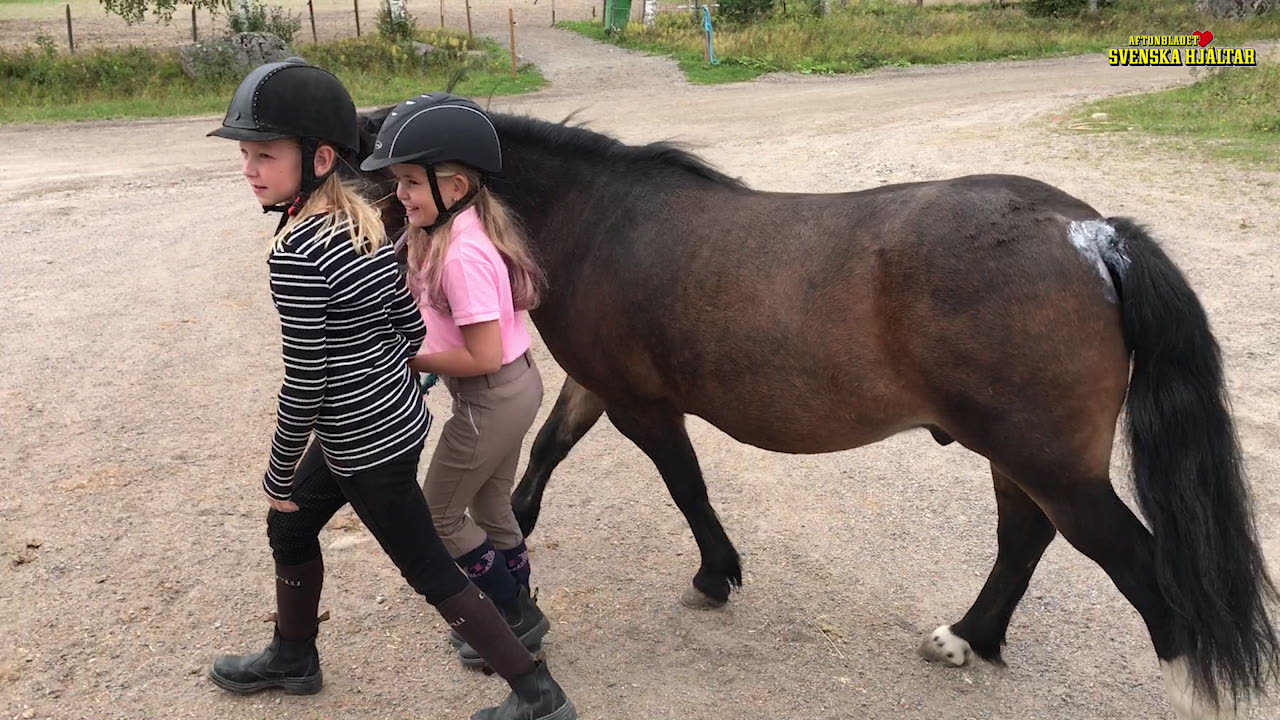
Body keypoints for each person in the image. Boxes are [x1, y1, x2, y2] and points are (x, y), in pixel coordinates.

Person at [205, 61, 576, 720]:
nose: (250, 169)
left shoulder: (297, 254)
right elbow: (406, 325)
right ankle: (294, 655)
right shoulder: (364, 223)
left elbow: (306, 380)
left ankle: (537, 694)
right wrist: (379, 373)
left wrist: (279, 469)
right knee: (290, 525)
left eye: (266, 154)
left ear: (321, 158)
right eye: (245, 154)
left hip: (362, 445)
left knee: (430, 567)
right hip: (391, 419)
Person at [360, 93, 549, 668]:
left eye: (411, 183)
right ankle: (522, 613)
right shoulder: (448, 232)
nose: (400, 194)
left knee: (439, 516)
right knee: (492, 508)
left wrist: (409, 357)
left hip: (492, 396)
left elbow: (483, 355)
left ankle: (509, 615)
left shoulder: (462, 255)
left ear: (456, 188)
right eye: (398, 181)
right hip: (513, 389)